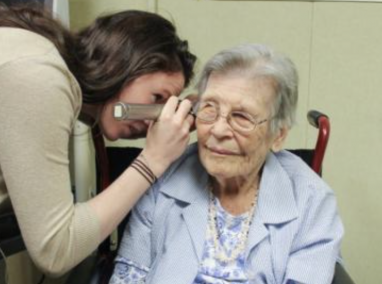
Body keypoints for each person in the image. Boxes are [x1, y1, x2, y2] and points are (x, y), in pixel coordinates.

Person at [0, 3, 196, 277]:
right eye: (157, 98)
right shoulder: (36, 76)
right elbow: (55, 252)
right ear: (122, 66)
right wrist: (153, 160)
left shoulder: (38, 60)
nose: (156, 118)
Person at [110, 44, 344, 284]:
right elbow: (128, 276)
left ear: (278, 135)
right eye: (209, 108)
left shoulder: (312, 201)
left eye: (241, 116)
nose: (219, 130)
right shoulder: (163, 178)